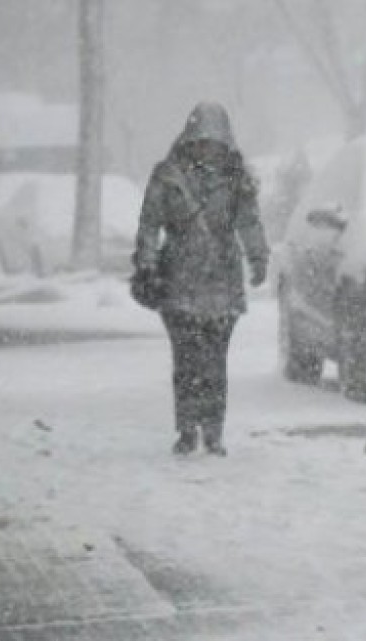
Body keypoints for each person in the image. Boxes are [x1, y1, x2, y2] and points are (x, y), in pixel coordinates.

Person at [132, 102, 269, 456]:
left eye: (215, 139)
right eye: (203, 139)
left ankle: (213, 429)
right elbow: (150, 223)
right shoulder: (169, 175)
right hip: (179, 280)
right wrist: (146, 264)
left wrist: (258, 257)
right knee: (187, 360)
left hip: (222, 279)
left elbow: (249, 222)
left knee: (214, 361)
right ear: (190, 138)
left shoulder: (236, 177)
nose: (209, 146)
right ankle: (187, 428)